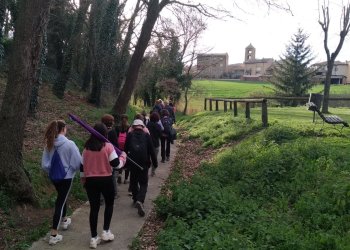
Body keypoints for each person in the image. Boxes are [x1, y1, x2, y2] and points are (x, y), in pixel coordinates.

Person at [80, 123, 126, 249]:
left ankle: (93, 238)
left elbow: (82, 168)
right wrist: (123, 157)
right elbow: (116, 164)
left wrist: (83, 180)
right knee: (109, 204)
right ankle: (106, 231)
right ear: (105, 134)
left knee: (94, 209)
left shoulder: (86, 149)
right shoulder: (108, 147)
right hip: (106, 180)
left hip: (90, 181)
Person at [42, 120, 82, 245]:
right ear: (63, 129)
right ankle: (54, 234)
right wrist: (69, 171)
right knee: (60, 201)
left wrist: (53, 171)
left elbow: (44, 165)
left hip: (54, 177)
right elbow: (77, 162)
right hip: (67, 178)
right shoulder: (70, 144)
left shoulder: (49, 143)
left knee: (62, 197)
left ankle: (64, 220)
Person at [124, 119, 157, 217]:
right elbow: (151, 150)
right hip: (144, 163)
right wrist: (155, 163)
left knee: (133, 181)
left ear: (133, 127)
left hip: (132, 162)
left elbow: (125, 150)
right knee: (143, 183)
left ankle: (135, 199)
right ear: (142, 127)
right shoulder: (146, 136)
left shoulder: (129, 135)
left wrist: (125, 164)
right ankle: (140, 200)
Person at [101, 114, 119, 197]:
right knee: (112, 176)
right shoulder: (112, 132)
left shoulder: (99, 131)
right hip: (110, 155)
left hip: (100, 156)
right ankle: (114, 193)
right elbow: (116, 145)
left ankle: (102, 195)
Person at [114, 114, 130, 184]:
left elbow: (115, 137)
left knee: (121, 160)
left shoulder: (117, 127)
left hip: (118, 147)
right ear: (127, 119)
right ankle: (126, 179)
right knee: (127, 162)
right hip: (126, 147)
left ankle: (120, 174)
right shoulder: (129, 127)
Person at [146, 112, 162, 176]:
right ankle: (153, 171)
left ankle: (146, 170)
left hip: (148, 144)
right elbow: (160, 135)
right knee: (154, 158)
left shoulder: (148, 124)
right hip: (155, 144)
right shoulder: (158, 126)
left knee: (147, 158)